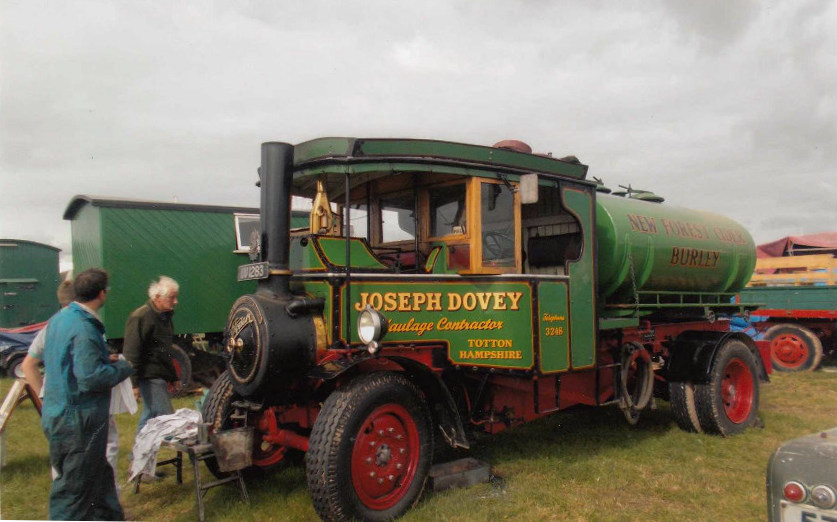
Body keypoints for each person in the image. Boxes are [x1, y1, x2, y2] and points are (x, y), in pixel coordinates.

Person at [40, 268, 134, 521]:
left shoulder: (61, 319)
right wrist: (123, 367)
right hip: (78, 422)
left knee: (99, 482)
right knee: (73, 494)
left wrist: (104, 358)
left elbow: (68, 362)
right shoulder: (84, 327)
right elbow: (91, 378)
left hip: (59, 414)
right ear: (102, 293)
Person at [124, 276, 181, 435]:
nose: (175, 301)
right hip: (149, 377)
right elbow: (131, 352)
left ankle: (138, 456)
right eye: (172, 297)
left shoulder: (165, 318)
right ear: (157, 297)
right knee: (167, 417)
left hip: (158, 377)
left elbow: (165, 352)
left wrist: (173, 377)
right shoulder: (140, 317)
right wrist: (133, 384)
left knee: (149, 417)